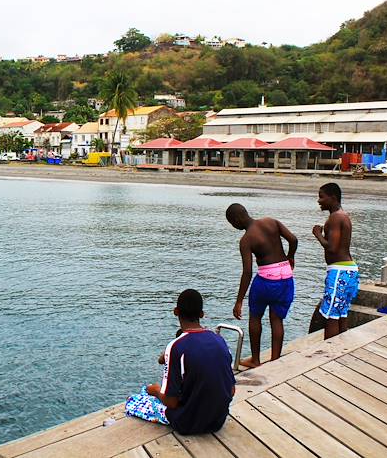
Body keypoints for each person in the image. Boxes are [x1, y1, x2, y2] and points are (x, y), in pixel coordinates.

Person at [146, 289, 236, 434]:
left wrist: (156, 390)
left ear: (176, 311)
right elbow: (231, 390)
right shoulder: (220, 340)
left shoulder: (176, 346)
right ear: (201, 314)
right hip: (218, 421)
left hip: (187, 424)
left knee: (138, 398)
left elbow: (171, 402)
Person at [226, 204, 297, 368]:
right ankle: (275, 361)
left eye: (232, 223)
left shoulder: (246, 240)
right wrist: (290, 257)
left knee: (255, 317)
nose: (234, 226)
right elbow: (293, 239)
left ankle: (256, 360)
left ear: (236, 220)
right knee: (277, 319)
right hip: (286, 277)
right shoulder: (271, 222)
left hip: (266, 280)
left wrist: (239, 301)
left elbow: (247, 272)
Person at [311, 182, 359, 339]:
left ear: (332, 198)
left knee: (331, 316)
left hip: (339, 271)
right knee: (341, 313)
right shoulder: (343, 215)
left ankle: (328, 352)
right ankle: (342, 348)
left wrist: (317, 233)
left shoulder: (335, 218)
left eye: (321, 197)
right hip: (348, 270)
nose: (319, 201)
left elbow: (332, 248)